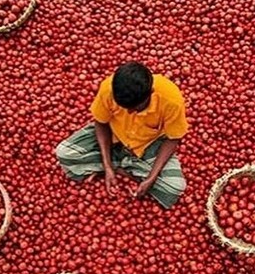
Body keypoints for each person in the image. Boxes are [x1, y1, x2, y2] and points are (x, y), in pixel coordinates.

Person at [55, 61, 188, 209]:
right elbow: (101, 122)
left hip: (148, 145)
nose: (130, 112)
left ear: (150, 93)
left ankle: (116, 168)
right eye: (125, 108)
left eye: (136, 107)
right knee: (64, 153)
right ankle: (123, 168)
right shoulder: (108, 89)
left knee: (175, 188)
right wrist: (107, 166)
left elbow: (173, 139)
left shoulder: (171, 100)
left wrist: (152, 178)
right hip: (114, 136)